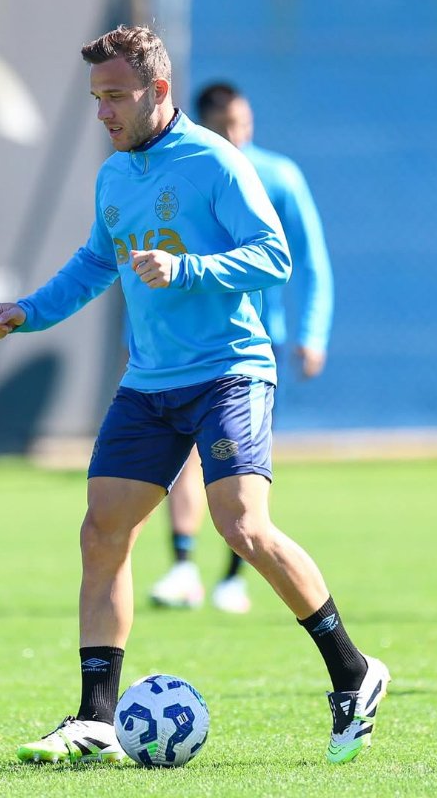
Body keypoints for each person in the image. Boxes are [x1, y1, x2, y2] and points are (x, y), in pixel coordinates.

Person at [0, 25, 386, 764]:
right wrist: (30, 311)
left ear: (158, 91)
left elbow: (274, 256)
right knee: (103, 532)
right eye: (96, 98)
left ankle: (353, 673)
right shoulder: (115, 175)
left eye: (115, 96)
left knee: (243, 526)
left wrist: (188, 269)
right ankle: (96, 719)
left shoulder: (215, 161)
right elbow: (95, 262)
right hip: (149, 383)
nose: (102, 112)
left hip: (229, 371)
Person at [149, 81, 334, 615]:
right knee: (183, 456)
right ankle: (183, 566)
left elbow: (311, 260)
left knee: (237, 467)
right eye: (227, 126)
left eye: (244, 124)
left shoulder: (277, 176)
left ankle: (233, 578)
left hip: (248, 346)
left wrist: (313, 333)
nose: (238, 135)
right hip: (181, 344)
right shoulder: (180, 172)